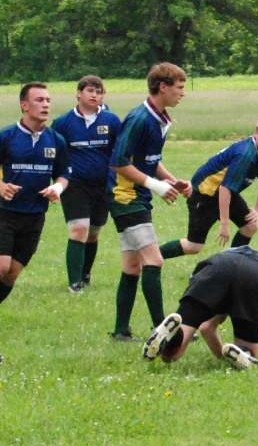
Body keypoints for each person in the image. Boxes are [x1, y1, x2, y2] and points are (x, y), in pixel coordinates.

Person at [106, 63, 193, 341]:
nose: (183, 93)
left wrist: (171, 179)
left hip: (137, 197)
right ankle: (162, 332)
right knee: (154, 261)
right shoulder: (140, 119)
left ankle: (121, 331)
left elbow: (149, 160)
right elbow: (118, 163)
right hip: (125, 198)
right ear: (162, 87)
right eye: (180, 87)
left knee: (132, 266)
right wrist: (155, 186)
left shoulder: (160, 119)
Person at [141, 246, 258, 370]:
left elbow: (207, 328)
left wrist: (221, 357)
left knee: (170, 356)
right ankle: (243, 353)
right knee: (249, 355)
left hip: (216, 265)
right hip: (254, 274)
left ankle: (173, 336)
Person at [0, 83, 70, 361]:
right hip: (5, 213)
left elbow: (64, 174)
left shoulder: (56, 140)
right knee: (1, 267)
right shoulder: (6, 136)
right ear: (24, 105)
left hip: (35, 216)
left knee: (11, 275)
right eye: (39, 99)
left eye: (48, 100)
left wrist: (58, 189)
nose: (46, 104)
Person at [159, 118, 258, 260]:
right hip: (204, 194)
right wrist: (224, 223)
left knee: (250, 226)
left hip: (225, 193)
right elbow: (224, 188)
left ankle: (231, 266)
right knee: (194, 246)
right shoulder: (246, 155)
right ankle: (151, 257)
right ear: (255, 134)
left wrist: (257, 211)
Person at [51, 75, 122, 293]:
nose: (95, 95)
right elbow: (55, 154)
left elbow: (119, 153)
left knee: (93, 232)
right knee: (79, 229)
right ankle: (75, 283)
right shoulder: (63, 123)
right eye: (91, 91)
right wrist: (57, 183)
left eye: (99, 92)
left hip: (103, 186)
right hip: (75, 185)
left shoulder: (111, 120)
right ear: (79, 93)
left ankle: (85, 274)